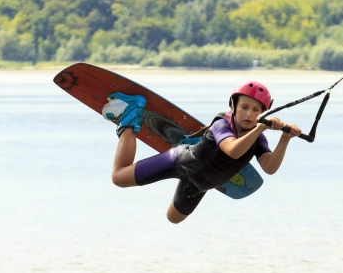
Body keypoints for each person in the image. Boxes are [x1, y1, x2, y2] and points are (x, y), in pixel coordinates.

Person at [101, 80, 302, 224]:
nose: (249, 114)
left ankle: (199, 146)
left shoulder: (258, 139)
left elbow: (269, 167)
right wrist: (260, 127)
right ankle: (130, 114)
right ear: (234, 106)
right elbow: (232, 150)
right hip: (180, 161)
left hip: (196, 185)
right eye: (244, 107)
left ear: (263, 112)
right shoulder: (221, 124)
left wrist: (285, 139)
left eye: (256, 110)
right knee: (118, 177)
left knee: (174, 219)